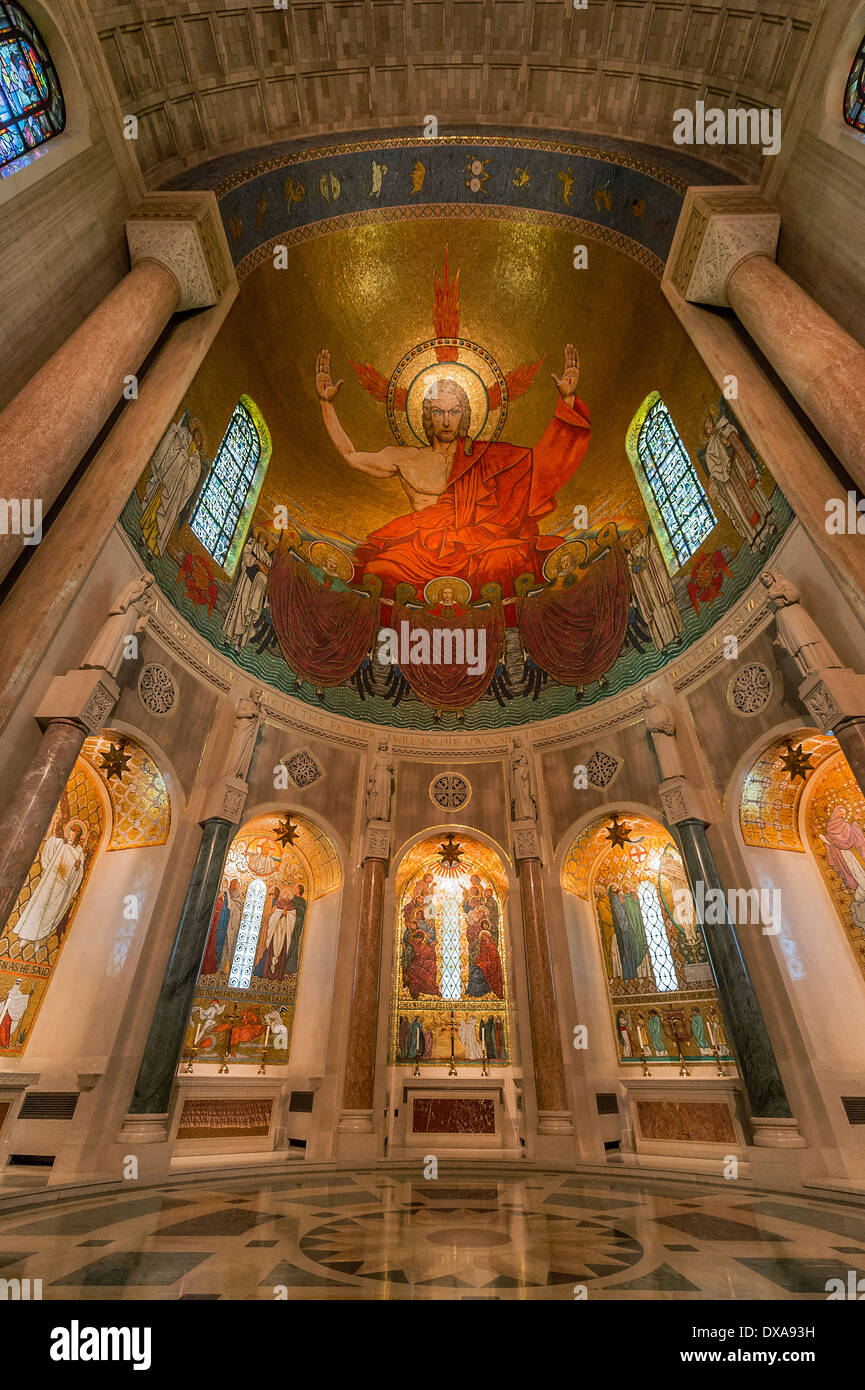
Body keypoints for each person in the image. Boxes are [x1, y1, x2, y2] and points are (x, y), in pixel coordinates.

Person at [316, 344, 591, 599]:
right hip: (421, 551)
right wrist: (326, 405)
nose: (446, 421)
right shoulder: (405, 457)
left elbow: (540, 468)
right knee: (378, 569)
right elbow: (351, 456)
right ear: (427, 416)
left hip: (477, 545)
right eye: (438, 412)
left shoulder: (484, 455)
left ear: (464, 415)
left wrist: (567, 400)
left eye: (454, 411)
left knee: (509, 559)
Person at [140, 412, 206, 557]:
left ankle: (153, 548)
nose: (196, 438)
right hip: (167, 483)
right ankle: (143, 536)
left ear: (200, 444)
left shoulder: (196, 462)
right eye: (195, 435)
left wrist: (184, 460)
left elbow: (192, 479)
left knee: (164, 519)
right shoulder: (183, 441)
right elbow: (173, 447)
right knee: (154, 509)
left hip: (175, 494)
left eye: (199, 439)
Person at [14, 821, 87, 945]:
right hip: (50, 880)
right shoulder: (61, 843)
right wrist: (53, 822)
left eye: (75, 832)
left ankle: (38, 935)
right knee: (38, 905)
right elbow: (49, 839)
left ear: (79, 835)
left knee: (49, 911)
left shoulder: (79, 851)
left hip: (62, 887)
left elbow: (78, 873)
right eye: (71, 830)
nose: (71, 833)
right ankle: (24, 932)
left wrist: (77, 867)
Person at [0, 979, 30, 1048]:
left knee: (6, 1028)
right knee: (1, 1027)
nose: (16, 985)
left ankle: (5, 1043)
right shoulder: (9, 992)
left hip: (9, 1015)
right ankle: (1, 1042)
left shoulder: (19, 995)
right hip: (3, 1013)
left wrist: (27, 998)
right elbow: (2, 999)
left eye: (18, 983)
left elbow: (20, 1003)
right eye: (16, 983)